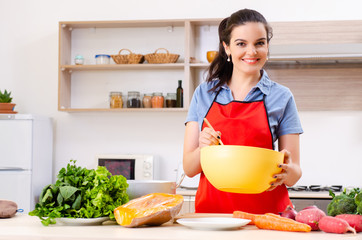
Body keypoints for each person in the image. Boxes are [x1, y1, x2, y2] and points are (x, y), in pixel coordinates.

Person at [182, 9, 303, 214]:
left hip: (267, 217)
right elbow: (189, 169)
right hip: (214, 216)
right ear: (226, 48)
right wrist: (204, 148)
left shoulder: (281, 97)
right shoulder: (203, 94)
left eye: (259, 43)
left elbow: (295, 174)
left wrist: (288, 171)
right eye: (241, 44)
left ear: (267, 47)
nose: (251, 51)